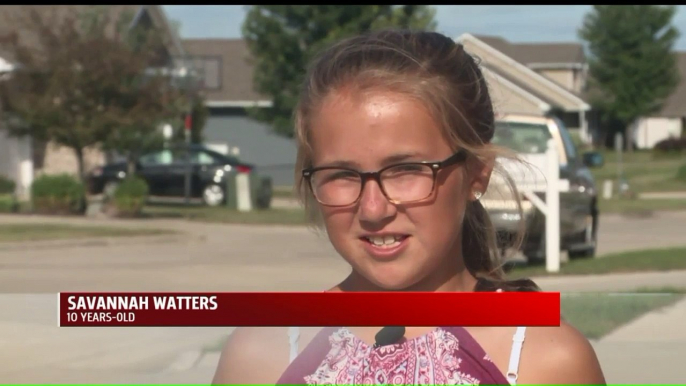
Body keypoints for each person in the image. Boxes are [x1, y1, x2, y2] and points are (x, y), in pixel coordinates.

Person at [212, 29, 606, 385]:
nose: (372, 208)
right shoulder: (262, 357)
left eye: (405, 170)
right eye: (342, 175)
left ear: (475, 174)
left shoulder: (545, 360)